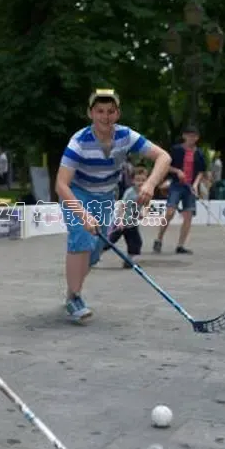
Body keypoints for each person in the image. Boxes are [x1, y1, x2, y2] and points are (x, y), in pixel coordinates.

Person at [56, 89, 171, 324]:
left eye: (110, 111)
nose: (105, 117)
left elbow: (164, 157)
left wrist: (150, 184)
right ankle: (75, 297)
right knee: (81, 237)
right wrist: (83, 214)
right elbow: (60, 184)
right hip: (77, 194)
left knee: (96, 249)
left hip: (106, 196)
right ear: (90, 113)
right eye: (99, 111)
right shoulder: (79, 142)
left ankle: (71, 293)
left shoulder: (126, 136)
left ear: (117, 114)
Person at [153, 125, 207, 255]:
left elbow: (201, 171)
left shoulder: (199, 153)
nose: (191, 138)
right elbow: (166, 165)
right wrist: (177, 171)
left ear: (197, 138)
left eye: (194, 136)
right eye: (189, 135)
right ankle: (159, 239)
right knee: (170, 212)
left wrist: (195, 184)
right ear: (184, 136)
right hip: (177, 185)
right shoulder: (176, 150)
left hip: (190, 188)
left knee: (188, 216)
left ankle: (180, 245)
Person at [105, 166, 149, 269]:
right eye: (138, 180)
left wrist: (143, 212)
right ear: (133, 180)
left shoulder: (146, 192)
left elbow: (147, 205)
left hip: (132, 224)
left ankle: (128, 261)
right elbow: (122, 206)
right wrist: (120, 221)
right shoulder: (130, 192)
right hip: (121, 222)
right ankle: (93, 257)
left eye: (143, 180)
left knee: (136, 243)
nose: (140, 182)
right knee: (109, 242)